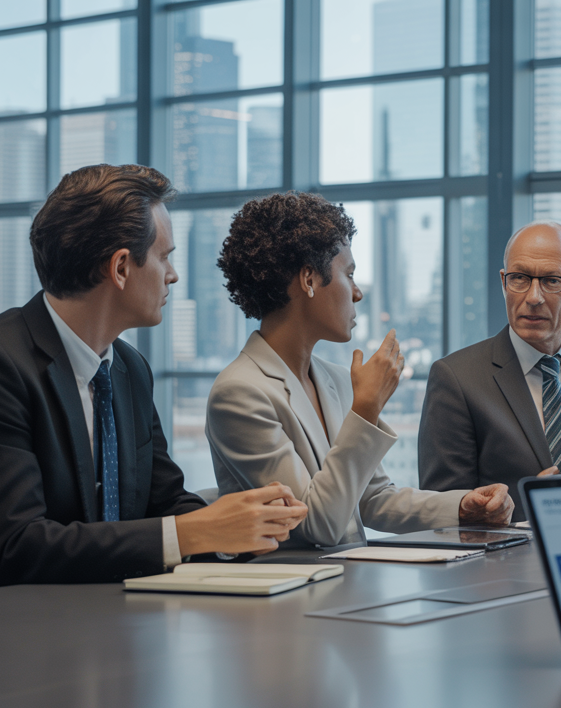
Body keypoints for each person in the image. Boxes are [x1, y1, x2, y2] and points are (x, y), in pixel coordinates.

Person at [0, 164, 309, 585]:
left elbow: (165, 502)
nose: (173, 275)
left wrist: (239, 528)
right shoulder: (7, 363)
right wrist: (192, 533)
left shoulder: (130, 369)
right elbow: (16, 544)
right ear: (121, 267)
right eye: (164, 256)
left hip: (126, 627)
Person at [206, 192, 513, 549]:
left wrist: (462, 507)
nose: (357, 293)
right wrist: (366, 408)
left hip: (347, 584)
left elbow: (370, 498)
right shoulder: (240, 393)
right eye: (349, 275)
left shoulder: (334, 379)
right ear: (308, 279)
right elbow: (317, 522)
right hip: (287, 594)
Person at [418, 221, 561, 518]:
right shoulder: (456, 378)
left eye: (552, 281)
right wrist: (531, 506)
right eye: (519, 278)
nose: (533, 297)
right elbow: (444, 510)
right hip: (507, 561)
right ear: (504, 282)